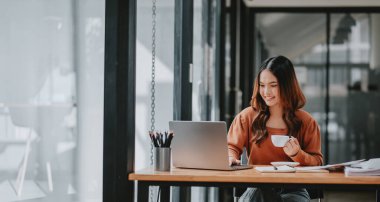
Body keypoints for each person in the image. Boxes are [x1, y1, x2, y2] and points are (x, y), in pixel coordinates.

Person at [227, 55, 323, 202]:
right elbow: (230, 147)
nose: (266, 92)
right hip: (257, 186)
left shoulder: (306, 122)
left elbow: (317, 163)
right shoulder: (246, 117)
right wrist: (231, 158)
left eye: (273, 85)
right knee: (259, 191)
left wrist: (297, 154)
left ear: (287, 86)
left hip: (294, 189)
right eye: (262, 85)